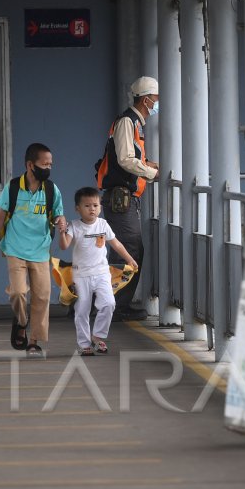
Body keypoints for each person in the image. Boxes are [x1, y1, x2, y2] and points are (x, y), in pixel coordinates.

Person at [0, 142, 67, 359]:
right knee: (19, 292)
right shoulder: (12, 188)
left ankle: (34, 341)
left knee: (42, 296)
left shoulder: (51, 189)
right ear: (30, 165)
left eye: (51, 165)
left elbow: (59, 213)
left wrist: (61, 222)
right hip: (14, 248)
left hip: (41, 250)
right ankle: (21, 321)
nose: (48, 168)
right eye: (44, 164)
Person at [96, 76, 159, 320]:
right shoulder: (127, 122)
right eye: (155, 99)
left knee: (125, 250)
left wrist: (146, 164)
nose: (156, 103)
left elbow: (131, 157)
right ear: (146, 100)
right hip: (120, 198)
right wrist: (152, 172)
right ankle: (115, 306)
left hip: (125, 197)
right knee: (129, 250)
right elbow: (125, 159)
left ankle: (112, 304)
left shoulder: (134, 123)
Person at [59, 187, 138, 356]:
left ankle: (98, 336)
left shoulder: (103, 224)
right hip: (81, 275)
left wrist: (129, 259)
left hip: (102, 273)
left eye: (95, 205)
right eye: (87, 206)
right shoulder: (74, 226)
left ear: (100, 207)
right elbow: (64, 245)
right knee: (82, 310)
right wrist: (62, 231)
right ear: (77, 208)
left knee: (109, 304)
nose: (92, 209)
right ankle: (84, 344)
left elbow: (116, 244)